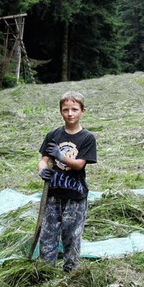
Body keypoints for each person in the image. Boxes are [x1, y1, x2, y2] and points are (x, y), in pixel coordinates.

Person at [37, 91, 97, 272]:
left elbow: (79, 165)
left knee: (71, 235)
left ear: (83, 111)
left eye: (74, 109)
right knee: (47, 235)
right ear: (60, 112)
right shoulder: (53, 135)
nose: (70, 113)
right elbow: (44, 159)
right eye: (65, 110)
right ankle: (45, 271)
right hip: (53, 194)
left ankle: (71, 272)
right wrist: (42, 169)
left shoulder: (87, 138)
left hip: (75, 195)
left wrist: (60, 156)